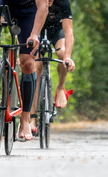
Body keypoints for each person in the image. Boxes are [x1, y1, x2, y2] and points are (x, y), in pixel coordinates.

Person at [0, 0, 48, 141]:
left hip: (29, 10)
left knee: (28, 63)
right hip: (3, 4)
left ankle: (25, 118)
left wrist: (35, 34)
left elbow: (43, 6)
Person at [29, 0, 76, 134]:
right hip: (37, 30)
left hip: (56, 31)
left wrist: (68, 56)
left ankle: (60, 88)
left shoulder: (63, 2)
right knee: (36, 67)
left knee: (61, 54)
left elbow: (69, 30)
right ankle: (33, 118)